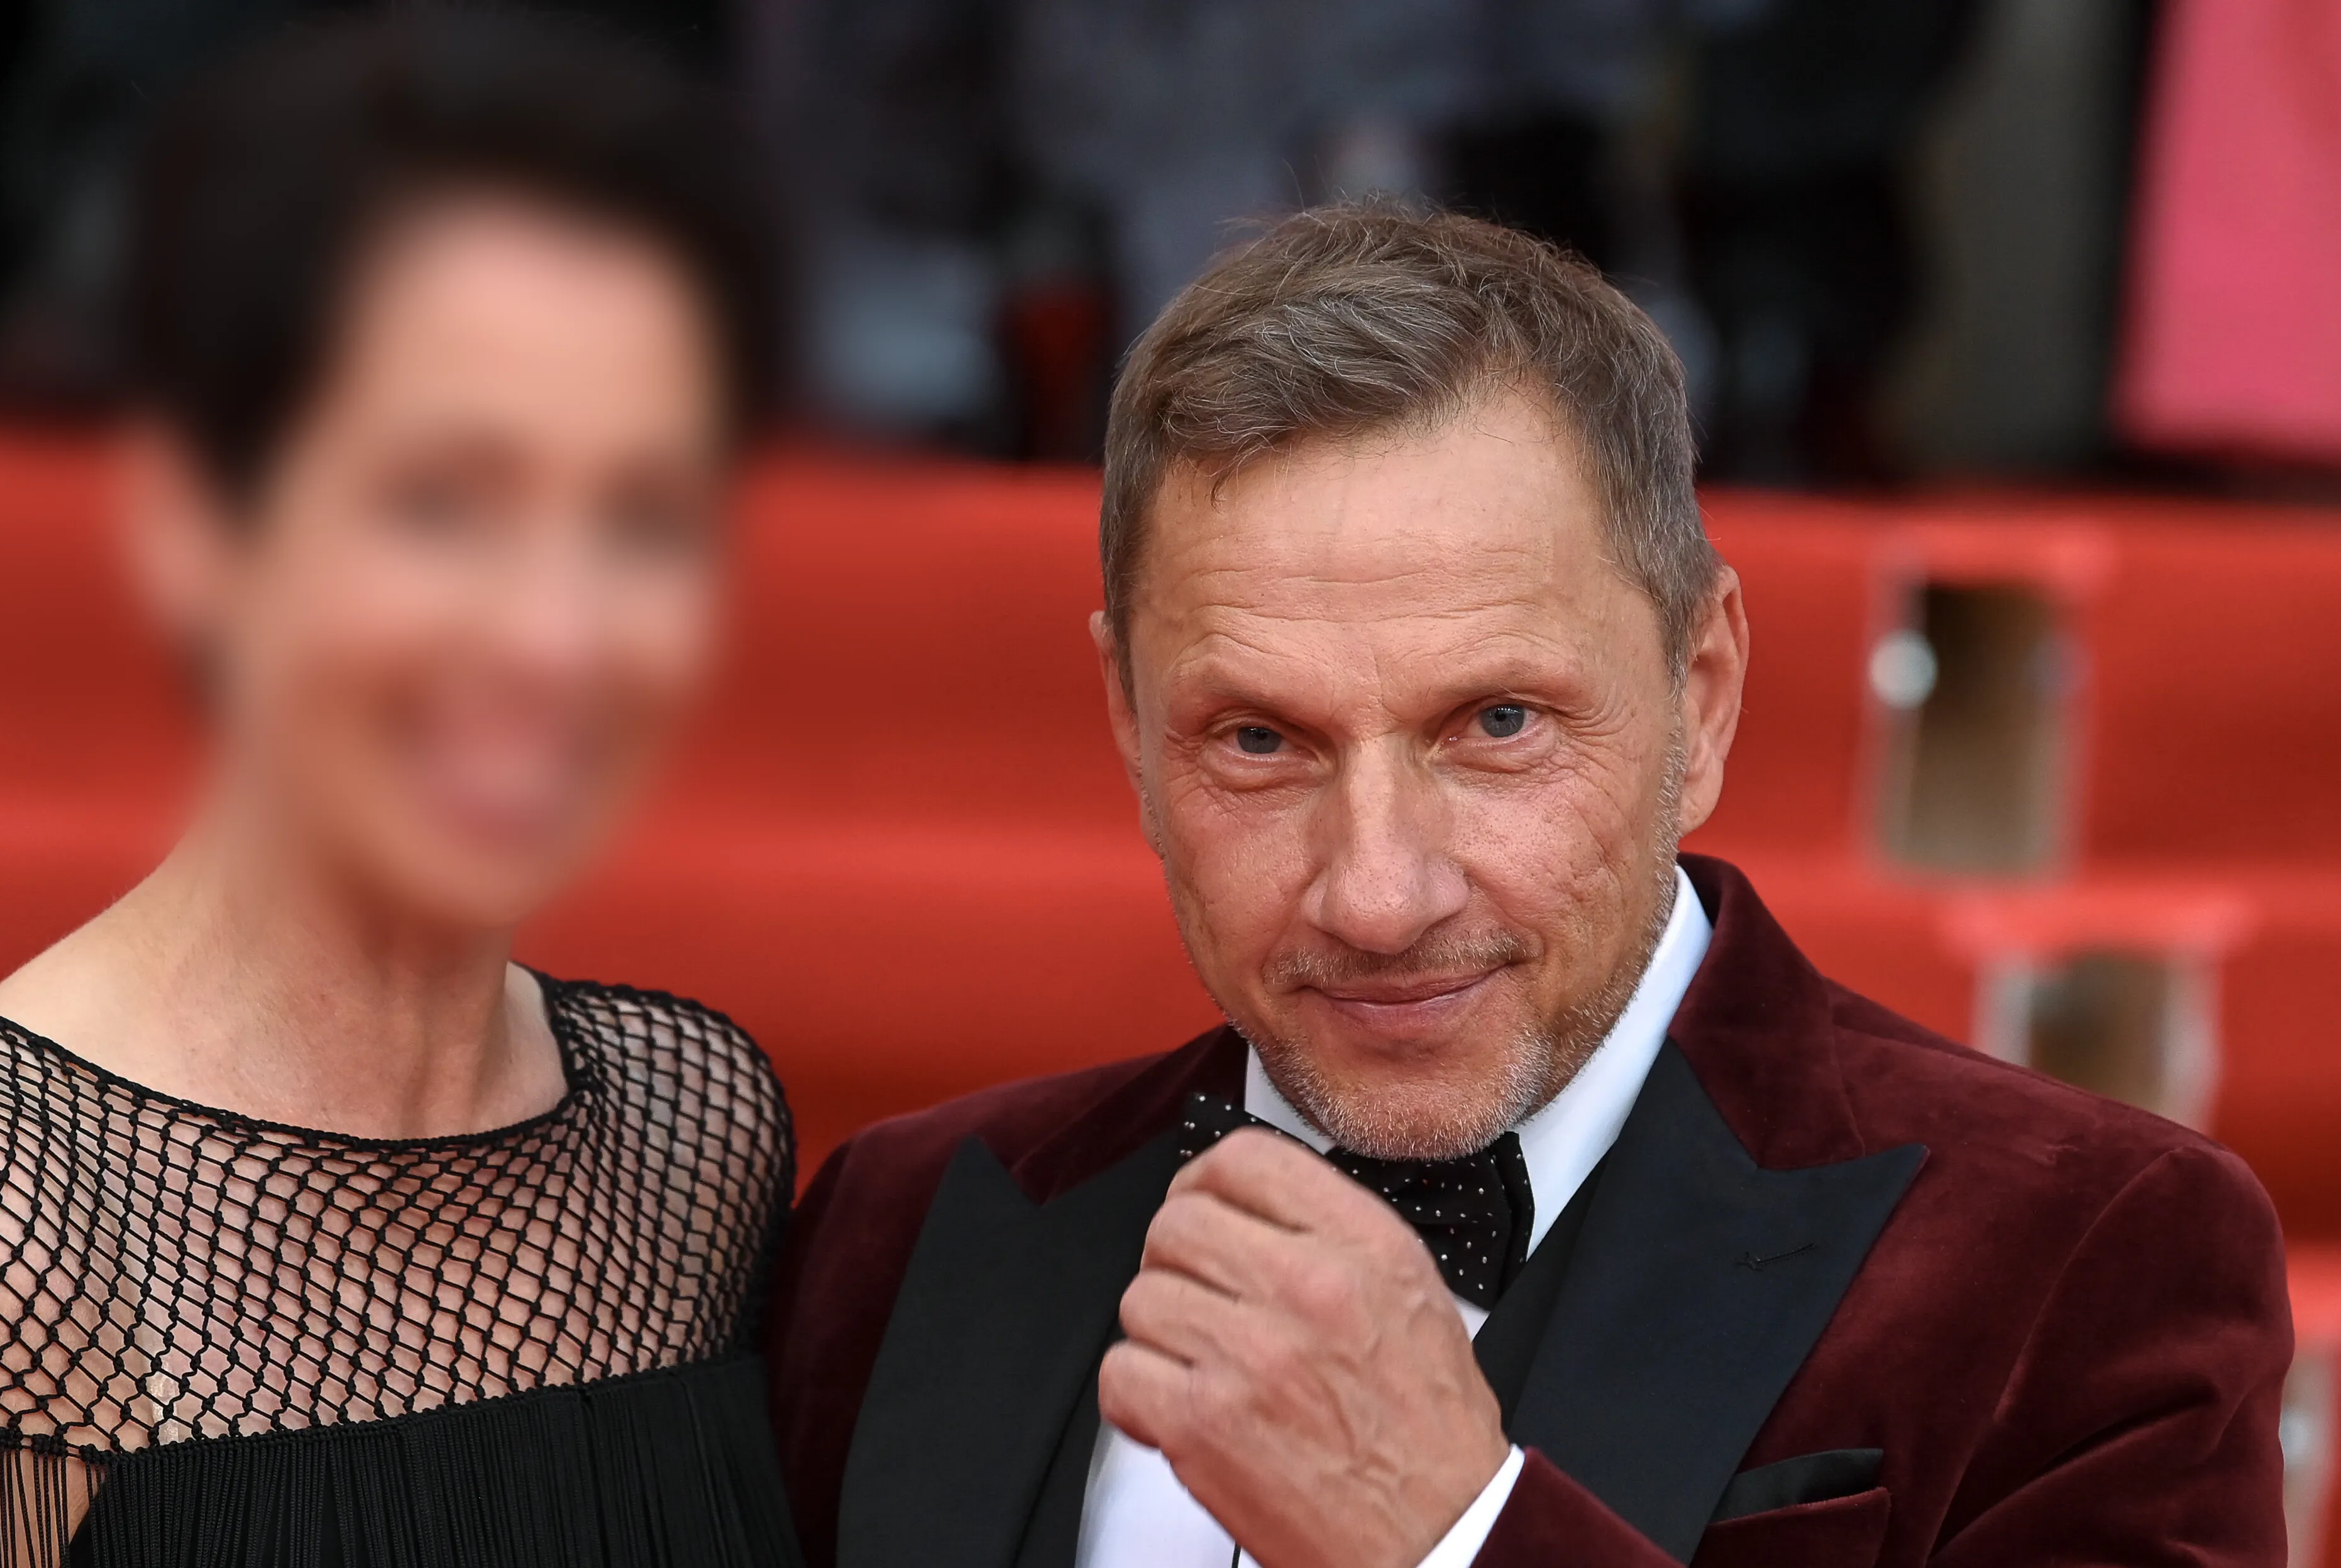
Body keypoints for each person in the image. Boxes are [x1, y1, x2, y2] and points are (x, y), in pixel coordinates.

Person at [765, 202, 2291, 1568]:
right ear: (1129, 725)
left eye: (1497, 723)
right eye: (1259, 739)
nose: (1377, 896)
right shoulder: (900, 1229)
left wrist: (1454, 1534)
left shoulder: (2083, 1254)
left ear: (1700, 696)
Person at [0, 13, 796, 1567]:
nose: (556, 635)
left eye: (643, 515)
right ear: (207, 533)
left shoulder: (691, 1134)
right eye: (441, 503)